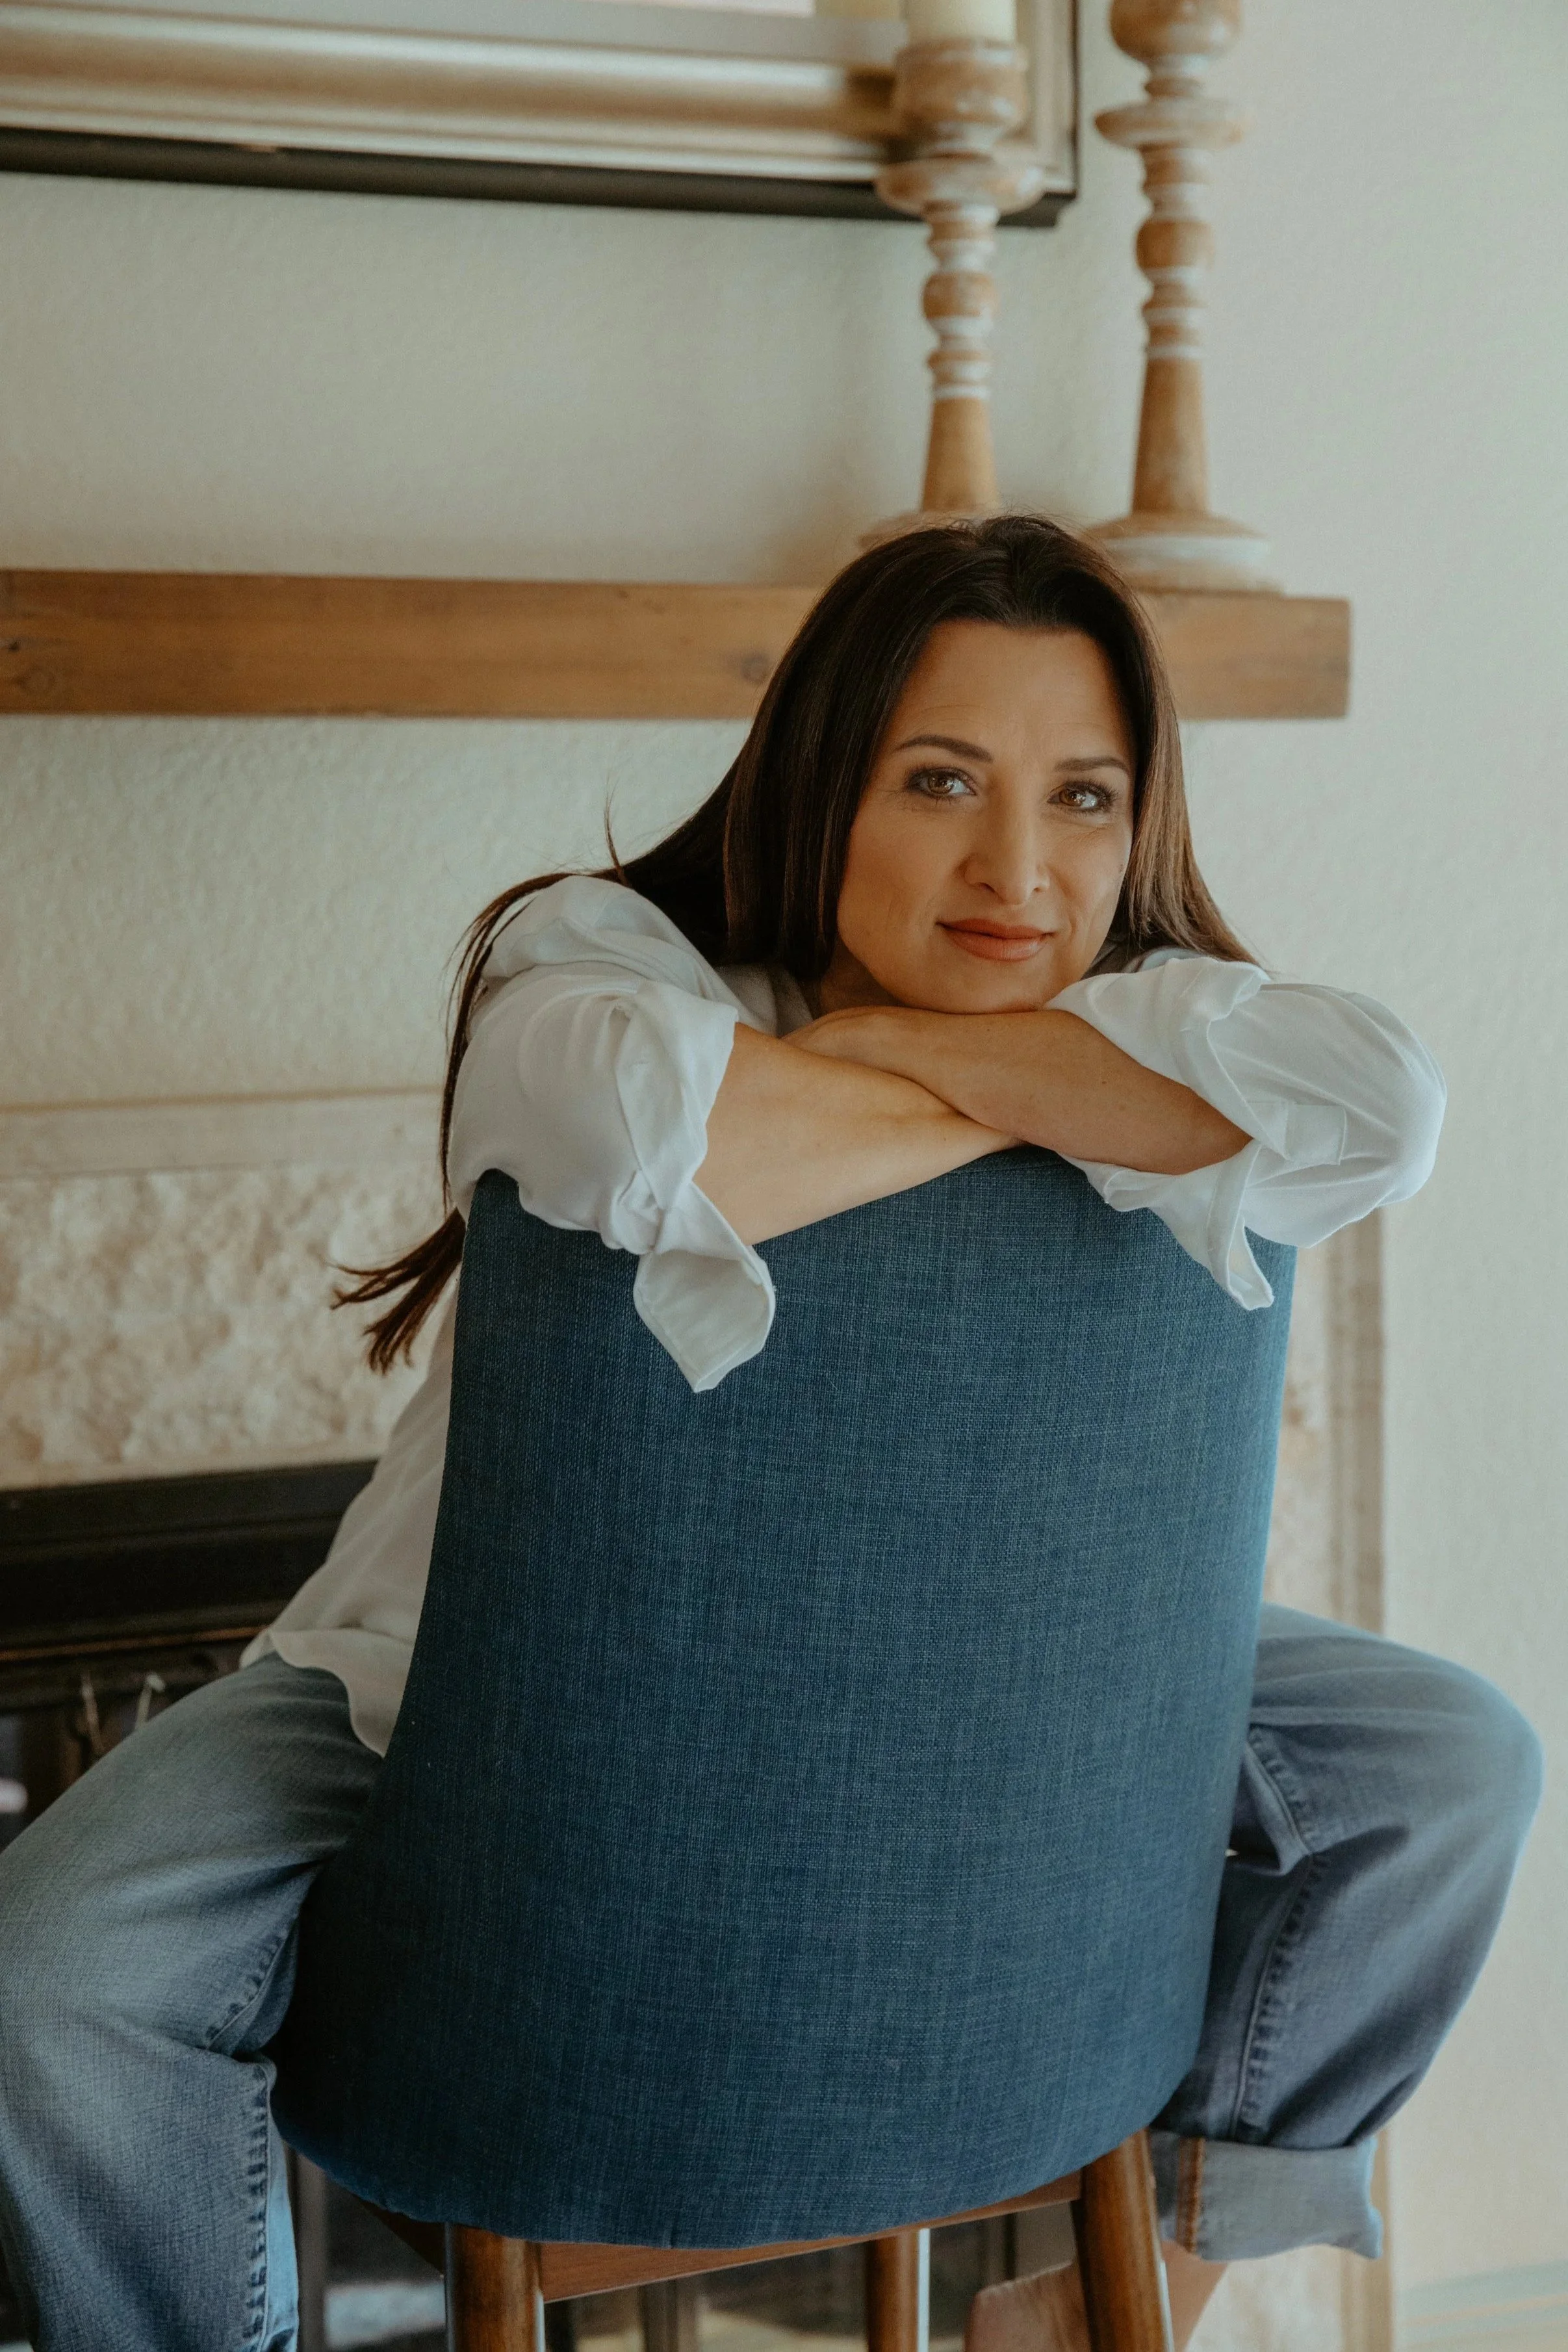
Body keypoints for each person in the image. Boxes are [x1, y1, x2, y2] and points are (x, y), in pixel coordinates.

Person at [0, 518, 1540, 2352]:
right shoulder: (596, 968)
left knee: (1450, 1766)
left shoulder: (1168, 1016)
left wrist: (912, 1056)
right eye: (940, 781)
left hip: (1005, 1655)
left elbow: (1382, 1112)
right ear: (824, 783)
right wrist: (1071, 1095)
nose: (1015, 870)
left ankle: (1159, 2272)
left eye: (1080, 798)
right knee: (57, 1972)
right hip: (450, 1670)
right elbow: (681, 1135)